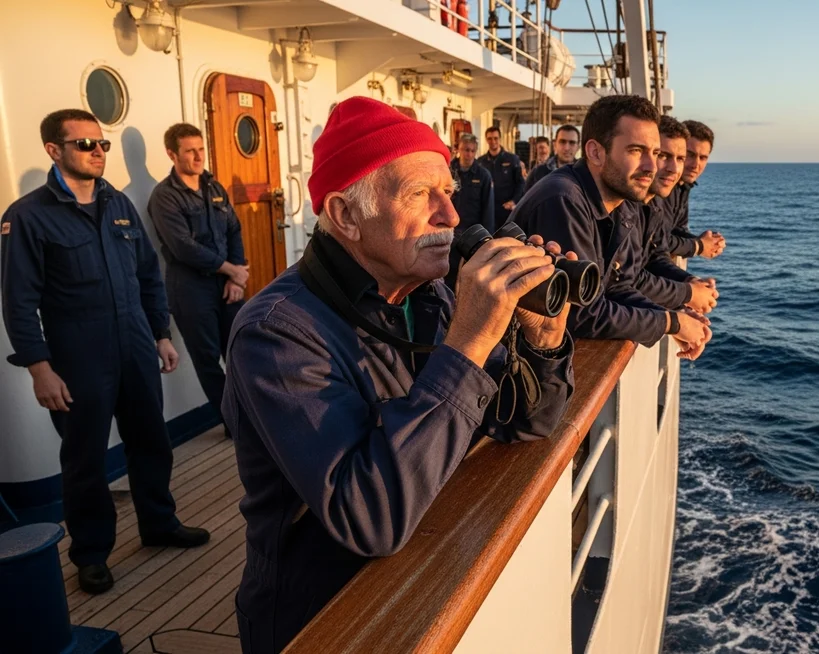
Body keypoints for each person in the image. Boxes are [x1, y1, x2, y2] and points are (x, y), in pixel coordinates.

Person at [223, 97, 576, 653]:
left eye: (448, 192)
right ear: (346, 216)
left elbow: (524, 423)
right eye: (419, 195)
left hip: (430, 574)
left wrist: (543, 338)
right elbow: (373, 519)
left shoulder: (429, 294)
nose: (451, 216)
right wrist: (469, 343)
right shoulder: (275, 333)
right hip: (326, 620)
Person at [1, 109, 210, 595]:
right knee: (85, 459)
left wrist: (160, 333)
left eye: (102, 144)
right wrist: (39, 368)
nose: (98, 152)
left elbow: (147, 275)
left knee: (151, 440)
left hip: (135, 343)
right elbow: (19, 301)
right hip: (77, 354)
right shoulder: (27, 216)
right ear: (54, 150)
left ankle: (159, 523)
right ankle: (91, 554)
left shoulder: (118, 204)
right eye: (85, 144)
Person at [509, 95, 711, 360]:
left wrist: (671, 316)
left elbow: (618, 285)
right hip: (515, 364)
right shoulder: (563, 200)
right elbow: (582, 312)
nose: (651, 167)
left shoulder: (619, 201)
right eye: (636, 151)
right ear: (595, 152)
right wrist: (670, 323)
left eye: (655, 153)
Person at [147, 123, 248, 435]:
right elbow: (183, 247)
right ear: (172, 154)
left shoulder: (214, 188)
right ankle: (235, 426)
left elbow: (233, 229)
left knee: (242, 352)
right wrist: (231, 269)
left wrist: (236, 277)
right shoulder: (164, 197)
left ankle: (254, 417)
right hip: (191, 289)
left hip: (227, 284)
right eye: (190, 151)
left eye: (201, 149)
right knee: (208, 361)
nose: (198, 156)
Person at [634, 116, 719, 315]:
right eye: (663, 155)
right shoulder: (639, 200)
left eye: (680, 158)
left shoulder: (667, 193)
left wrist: (690, 282)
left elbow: (656, 252)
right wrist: (699, 246)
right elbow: (624, 279)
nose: (694, 164)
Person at [656, 119, 725, 260]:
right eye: (690, 155)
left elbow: (676, 230)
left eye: (703, 158)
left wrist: (707, 243)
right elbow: (657, 240)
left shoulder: (683, 186)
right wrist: (699, 246)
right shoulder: (661, 187)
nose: (696, 164)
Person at [448, 133, 495, 289]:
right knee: (446, 274)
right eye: (465, 150)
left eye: (472, 151)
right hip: (449, 232)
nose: (468, 154)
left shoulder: (483, 175)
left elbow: (488, 209)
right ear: (459, 149)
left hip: (471, 235)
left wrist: (486, 238)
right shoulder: (448, 171)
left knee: (469, 277)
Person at [479, 126, 526, 224]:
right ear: (486, 140)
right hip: (487, 211)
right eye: (490, 138)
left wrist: (514, 201)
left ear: (500, 139)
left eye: (495, 138)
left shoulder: (512, 159)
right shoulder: (481, 162)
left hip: (506, 211)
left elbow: (521, 183)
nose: (493, 141)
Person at [526, 124, 580, 189]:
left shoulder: (583, 173)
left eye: (572, 143)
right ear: (555, 144)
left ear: (578, 147)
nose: (566, 148)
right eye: (562, 142)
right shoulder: (538, 172)